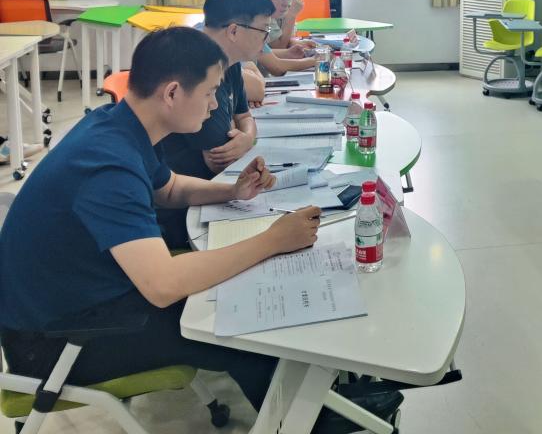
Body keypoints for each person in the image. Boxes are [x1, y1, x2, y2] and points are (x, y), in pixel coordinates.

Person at [0, 27, 321, 412]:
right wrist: (273, 240)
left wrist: (233, 191)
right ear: (171, 93)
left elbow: (167, 188)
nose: (214, 105)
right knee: (241, 332)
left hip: (87, 297)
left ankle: (308, 409)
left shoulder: (118, 124)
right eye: (209, 92)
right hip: (54, 341)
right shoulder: (107, 165)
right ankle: (311, 420)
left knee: (238, 294)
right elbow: (163, 285)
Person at [157, 0, 275, 247]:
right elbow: (219, 161)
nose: (267, 40)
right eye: (264, 30)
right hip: (188, 215)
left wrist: (247, 138)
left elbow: (245, 117)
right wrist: (245, 139)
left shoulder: (228, 64)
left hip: (212, 192)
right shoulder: (196, 72)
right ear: (233, 31)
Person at [242, 0, 317, 106]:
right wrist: (316, 60)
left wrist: (288, 53)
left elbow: (261, 54)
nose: (287, 3)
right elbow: (276, 67)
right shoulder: (250, 24)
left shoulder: (261, 20)